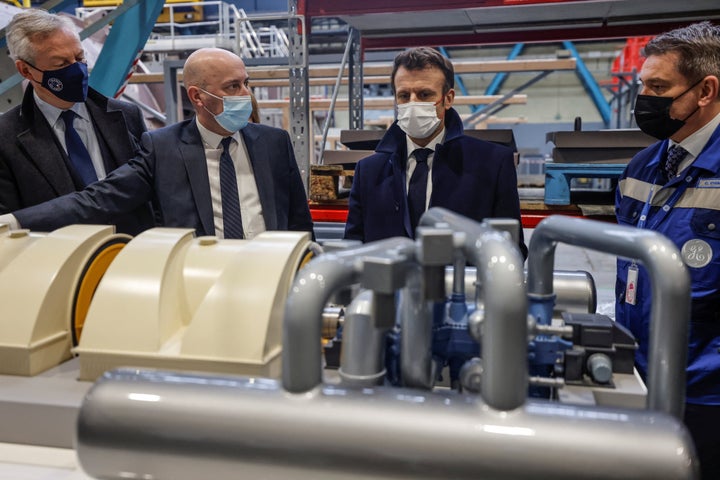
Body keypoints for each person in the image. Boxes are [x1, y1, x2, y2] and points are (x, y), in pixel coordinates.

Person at [0, 47, 314, 239]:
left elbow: (300, 221)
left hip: (271, 274)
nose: (246, 95)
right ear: (197, 97)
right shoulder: (162, 148)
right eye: (232, 86)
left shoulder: (274, 144)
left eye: (246, 83)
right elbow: (96, 199)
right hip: (198, 283)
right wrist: (14, 222)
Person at [615, 21, 720, 479]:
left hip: (707, 391)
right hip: (640, 373)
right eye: (643, 86)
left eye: (659, 87)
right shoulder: (643, 165)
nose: (646, 100)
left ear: (705, 91)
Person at [343, 47, 526, 257]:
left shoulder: (492, 165)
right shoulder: (368, 172)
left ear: (448, 99)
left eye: (424, 94)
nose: (413, 103)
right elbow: (353, 248)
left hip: (460, 287)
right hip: (387, 288)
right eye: (404, 95)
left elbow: (511, 251)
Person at [0, 8, 153, 235]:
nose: (77, 69)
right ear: (26, 70)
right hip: (58, 264)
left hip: (130, 258)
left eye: (80, 58)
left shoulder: (126, 116)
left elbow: (151, 197)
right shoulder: (5, 138)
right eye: (61, 64)